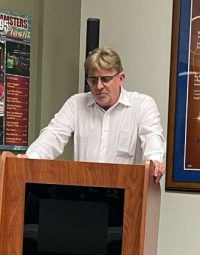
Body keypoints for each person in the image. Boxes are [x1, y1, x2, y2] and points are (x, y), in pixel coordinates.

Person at [23, 47, 165, 182]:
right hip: (85, 196)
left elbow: (152, 136)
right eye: (93, 80)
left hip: (127, 193)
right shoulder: (76, 104)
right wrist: (30, 158)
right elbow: (54, 134)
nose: (98, 87)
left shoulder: (142, 105)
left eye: (106, 79)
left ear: (121, 78)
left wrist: (154, 160)